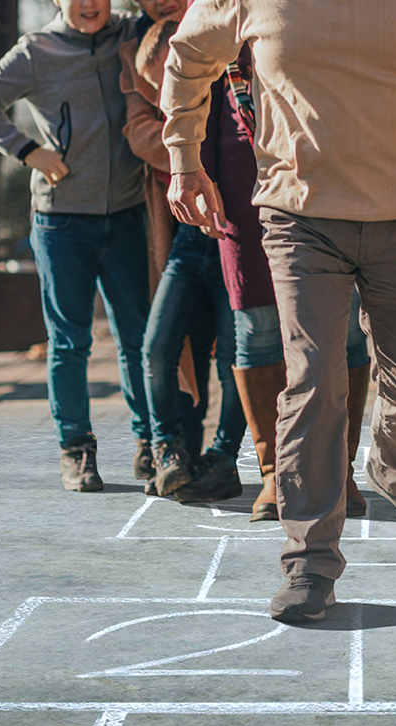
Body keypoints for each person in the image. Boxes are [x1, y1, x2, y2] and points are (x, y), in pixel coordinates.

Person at [163, 0, 396, 622]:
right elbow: (190, 55)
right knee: (314, 380)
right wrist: (183, 158)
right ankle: (309, 561)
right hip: (298, 216)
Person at [0, 0, 151, 492]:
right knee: (70, 342)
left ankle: (150, 443)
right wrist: (29, 150)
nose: (89, 4)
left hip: (129, 214)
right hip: (62, 221)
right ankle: (76, 451)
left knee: (138, 339)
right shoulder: (35, 51)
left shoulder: (128, 33)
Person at [195, 44, 373, 522]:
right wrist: (198, 176)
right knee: (256, 329)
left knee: (344, 330)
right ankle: (276, 473)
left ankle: (341, 470)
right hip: (241, 203)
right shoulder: (216, 34)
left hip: (324, 198)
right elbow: (194, 108)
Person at [135, 20, 248, 501]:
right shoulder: (170, 120)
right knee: (157, 347)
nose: (168, 91)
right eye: (159, 82)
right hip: (188, 242)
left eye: (173, 74)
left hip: (234, 237)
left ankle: (223, 458)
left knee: (234, 358)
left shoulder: (231, 94)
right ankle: (169, 450)